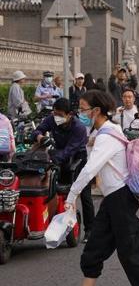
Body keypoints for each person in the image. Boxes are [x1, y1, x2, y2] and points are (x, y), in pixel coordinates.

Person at [55, 90, 139, 286]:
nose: (80, 113)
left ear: (96, 111)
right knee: (95, 247)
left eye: (84, 109)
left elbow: (89, 170)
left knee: (131, 251)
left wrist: (71, 197)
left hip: (120, 198)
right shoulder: (111, 129)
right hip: (113, 198)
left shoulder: (106, 137)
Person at [32, 98, 95, 242]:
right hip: (59, 158)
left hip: (78, 160)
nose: (56, 117)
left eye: (59, 114)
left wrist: (53, 159)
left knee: (84, 195)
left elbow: (69, 151)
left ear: (69, 114)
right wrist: (40, 137)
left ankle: (90, 230)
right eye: (55, 113)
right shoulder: (51, 119)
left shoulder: (78, 127)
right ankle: (55, 224)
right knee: (54, 191)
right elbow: (36, 131)